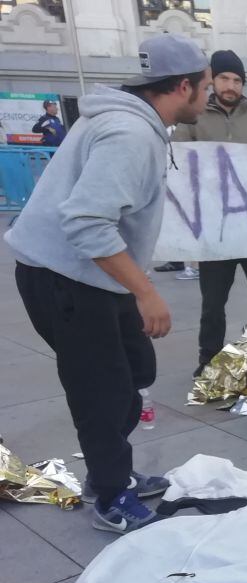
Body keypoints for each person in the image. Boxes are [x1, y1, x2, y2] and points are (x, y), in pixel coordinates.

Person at [6, 34, 211, 533]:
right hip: (67, 279)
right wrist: (146, 290)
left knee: (134, 373)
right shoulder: (129, 133)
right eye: (205, 87)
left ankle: (109, 472)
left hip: (92, 275)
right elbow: (86, 223)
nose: (207, 96)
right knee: (101, 389)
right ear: (183, 86)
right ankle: (110, 495)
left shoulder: (133, 124)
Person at [172, 50, 247, 378]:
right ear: (212, 81)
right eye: (224, 78)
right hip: (214, 231)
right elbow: (178, 164)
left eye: (237, 80)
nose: (231, 85)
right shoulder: (193, 118)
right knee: (212, 303)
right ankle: (208, 357)